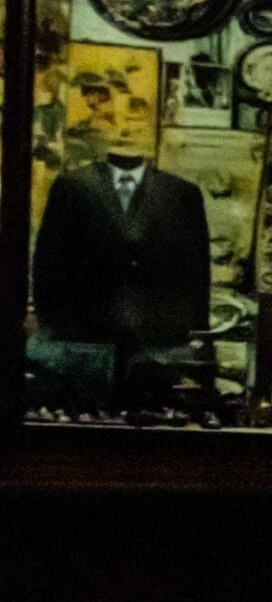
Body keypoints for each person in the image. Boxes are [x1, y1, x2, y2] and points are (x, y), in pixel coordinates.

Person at [31, 75, 211, 391]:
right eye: (119, 120)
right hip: (85, 337)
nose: (128, 129)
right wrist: (54, 327)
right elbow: (48, 262)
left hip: (158, 342)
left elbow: (197, 272)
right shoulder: (73, 185)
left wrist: (195, 336)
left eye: (137, 121)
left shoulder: (181, 194)